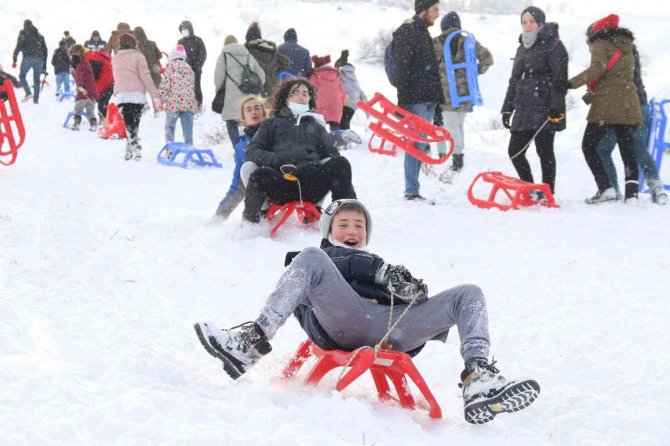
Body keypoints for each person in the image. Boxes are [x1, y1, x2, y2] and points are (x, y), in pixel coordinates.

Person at [194, 198, 541, 424]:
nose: (352, 230)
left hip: (392, 331)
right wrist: (378, 271)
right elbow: (334, 270)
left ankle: (478, 378)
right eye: (343, 224)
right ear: (329, 230)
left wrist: (412, 293)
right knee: (313, 258)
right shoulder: (315, 262)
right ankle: (250, 342)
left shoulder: (382, 268)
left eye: (359, 226)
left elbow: (407, 306)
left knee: (469, 293)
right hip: (344, 321)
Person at [241, 78, 357, 223]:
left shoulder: (317, 127)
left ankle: (346, 216)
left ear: (310, 99)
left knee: (340, 163)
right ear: (286, 98)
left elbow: (333, 157)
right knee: (253, 170)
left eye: (305, 93)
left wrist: (311, 165)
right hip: (281, 181)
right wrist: (279, 161)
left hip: (311, 183)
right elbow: (252, 151)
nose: (301, 96)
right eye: (295, 93)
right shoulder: (271, 124)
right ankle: (252, 222)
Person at [568, 14, 642, 203]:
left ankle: (606, 187)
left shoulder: (599, 42)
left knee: (588, 146)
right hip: (628, 102)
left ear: (598, 31)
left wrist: (570, 84)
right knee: (627, 150)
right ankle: (632, 194)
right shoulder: (627, 45)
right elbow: (616, 75)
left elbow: (598, 69)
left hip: (607, 105)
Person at [501, 6, 567, 199]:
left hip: (544, 104)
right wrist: (507, 109)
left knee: (544, 151)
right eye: (524, 22)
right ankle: (529, 187)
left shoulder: (554, 44)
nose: (528, 25)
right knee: (515, 151)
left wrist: (555, 106)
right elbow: (514, 80)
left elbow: (560, 79)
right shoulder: (521, 46)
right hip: (523, 105)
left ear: (540, 22)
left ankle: (547, 192)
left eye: (531, 21)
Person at [594, 32, 667, 205]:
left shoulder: (615, 52)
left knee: (606, 148)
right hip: (635, 104)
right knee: (636, 148)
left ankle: (614, 189)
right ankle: (655, 186)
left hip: (626, 107)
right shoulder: (626, 48)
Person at [392, 0, 445, 204]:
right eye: (435, 10)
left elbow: (432, 72)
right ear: (424, 11)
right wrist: (402, 102)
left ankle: (413, 190)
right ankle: (411, 191)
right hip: (415, 98)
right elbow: (402, 70)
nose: (437, 14)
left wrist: (438, 103)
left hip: (428, 97)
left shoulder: (423, 33)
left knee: (419, 143)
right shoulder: (408, 31)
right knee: (415, 143)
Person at [433, 11, 493, 174]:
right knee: (458, 125)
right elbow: (488, 59)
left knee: (451, 127)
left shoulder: (436, 43)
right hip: (466, 93)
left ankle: (457, 159)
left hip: (445, 94)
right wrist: (475, 71)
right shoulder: (469, 41)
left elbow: (428, 67)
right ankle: (458, 157)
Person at [214, 96, 269, 220]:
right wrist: (220, 214)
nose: (254, 111)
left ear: (264, 114)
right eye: (248, 110)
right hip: (257, 188)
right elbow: (238, 184)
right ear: (243, 119)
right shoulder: (242, 146)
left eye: (257, 108)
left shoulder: (275, 135)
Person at [111, 33, 162, 161]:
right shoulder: (139, 57)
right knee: (134, 122)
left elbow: (116, 78)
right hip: (136, 95)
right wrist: (154, 96)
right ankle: (135, 146)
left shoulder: (115, 58)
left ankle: (129, 148)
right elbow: (146, 78)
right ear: (134, 43)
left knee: (129, 123)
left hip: (121, 95)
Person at [214, 35, 265, 149]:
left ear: (225, 44)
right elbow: (261, 75)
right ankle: (255, 148)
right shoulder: (248, 54)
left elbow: (219, 77)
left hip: (233, 96)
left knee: (231, 121)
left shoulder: (224, 55)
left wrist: (219, 92)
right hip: (251, 96)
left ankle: (238, 149)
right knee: (253, 120)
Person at [159, 45, 198, 148]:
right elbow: (192, 85)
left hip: (173, 103)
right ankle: (189, 147)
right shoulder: (189, 68)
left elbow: (165, 86)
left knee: (170, 127)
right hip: (188, 103)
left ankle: (170, 148)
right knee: (188, 129)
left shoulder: (170, 67)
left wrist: (160, 101)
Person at [244, 22, 290, 98]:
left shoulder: (247, 52)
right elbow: (286, 62)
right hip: (272, 89)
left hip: (256, 90)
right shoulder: (270, 50)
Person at [11, 19, 48, 104]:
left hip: (28, 57)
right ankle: (36, 100)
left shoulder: (23, 33)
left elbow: (18, 46)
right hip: (39, 59)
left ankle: (28, 93)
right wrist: (44, 65)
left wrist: (14, 58)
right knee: (37, 80)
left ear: (24, 25)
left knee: (22, 76)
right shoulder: (40, 36)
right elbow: (45, 50)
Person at [309, 54, 347, 132]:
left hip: (320, 103)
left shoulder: (315, 75)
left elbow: (311, 89)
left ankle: (320, 141)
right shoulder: (336, 75)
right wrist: (342, 102)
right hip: (336, 104)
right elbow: (343, 92)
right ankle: (336, 141)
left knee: (319, 127)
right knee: (335, 127)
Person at [334, 50, 367, 131]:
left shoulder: (339, 75)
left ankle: (344, 140)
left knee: (342, 123)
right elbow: (360, 91)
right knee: (345, 123)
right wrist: (366, 106)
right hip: (353, 104)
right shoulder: (353, 78)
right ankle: (346, 138)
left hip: (345, 102)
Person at [178, 20, 207, 110]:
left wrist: (198, 66)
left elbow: (203, 54)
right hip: (183, 70)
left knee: (196, 87)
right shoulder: (180, 41)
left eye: (185, 29)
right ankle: (186, 106)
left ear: (190, 29)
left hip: (195, 70)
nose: (184, 31)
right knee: (184, 88)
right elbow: (178, 54)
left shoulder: (198, 40)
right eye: (182, 29)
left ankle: (198, 106)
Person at [68, 45, 98, 132]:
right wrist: (74, 73)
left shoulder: (79, 67)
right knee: (90, 111)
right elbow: (84, 77)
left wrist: (80, 88)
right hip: (92, 94)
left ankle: (76, 124)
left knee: (77, 109)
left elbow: (79, 78)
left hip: (83, 94)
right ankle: (93, 124)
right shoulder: (87, 64)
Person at [84, 48, 115, 122]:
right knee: (103, 102)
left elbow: (94, 74)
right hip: (110, 81)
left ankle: (105, 120)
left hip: (104, 83)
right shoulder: (98, 56)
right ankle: (105, 118)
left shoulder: (91, 58)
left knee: (102, 103)